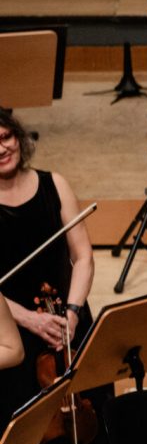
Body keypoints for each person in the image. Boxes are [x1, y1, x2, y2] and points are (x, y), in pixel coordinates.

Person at [0, 109, 92, 419]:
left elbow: (83, 257)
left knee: (90, 408)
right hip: (15, 331)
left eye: (6, 137)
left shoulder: (55, 184)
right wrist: (30, 320)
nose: (2, 149)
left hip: (68, 321)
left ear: (18, 138)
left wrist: (73, 313)